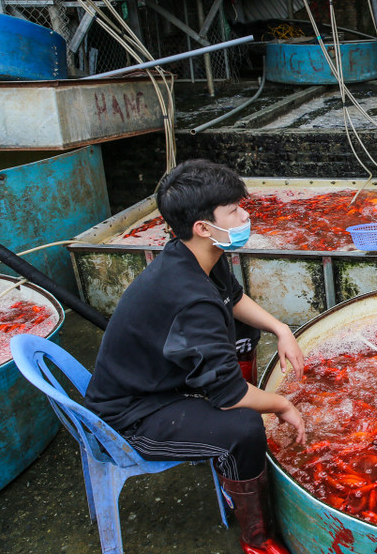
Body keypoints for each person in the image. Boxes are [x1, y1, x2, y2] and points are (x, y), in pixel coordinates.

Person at [85, 159, 307, 554]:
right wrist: (281, 403)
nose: (245, 215)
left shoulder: (195, 255)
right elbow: (231, 397)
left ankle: (235, 467)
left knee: (244, 330)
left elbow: (234, 299)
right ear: (203, 227)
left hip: (159, 381)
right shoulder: (190, 300)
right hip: (132, 416)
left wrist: (281, 329)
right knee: (244, 428)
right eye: (234, 211)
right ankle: (256, 538)